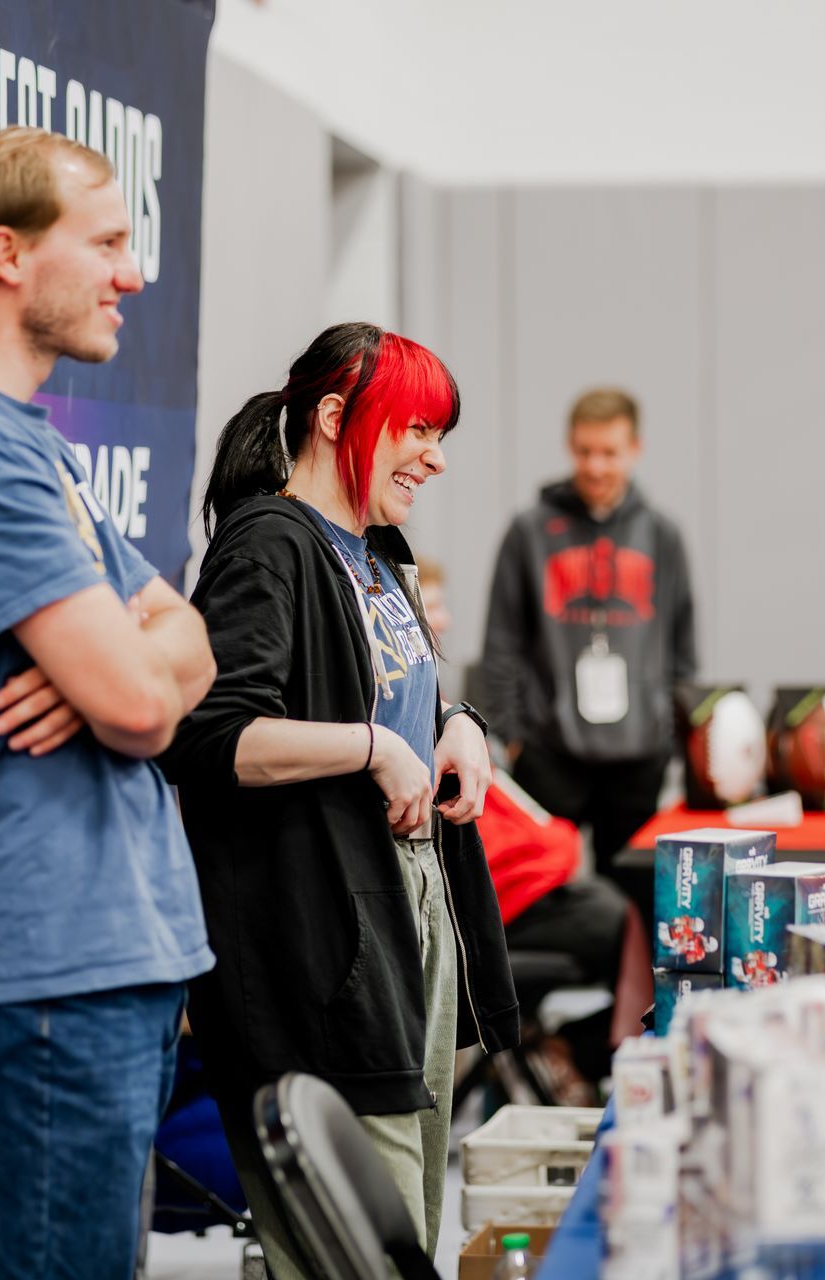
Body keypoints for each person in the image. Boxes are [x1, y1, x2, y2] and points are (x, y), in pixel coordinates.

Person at [0, 126, 218, 1277]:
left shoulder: (30, 444)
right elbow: (145, 707)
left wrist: (127, 661)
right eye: (108, 242)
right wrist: (117, 670)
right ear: (8, 253)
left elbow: (187, 639)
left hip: (96, 969)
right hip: (41, 978)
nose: (134, 272)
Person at [158, 323, 519, 1279]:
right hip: (320, 944)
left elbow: (400, 695)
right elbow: (208, 738)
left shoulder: (375, 551)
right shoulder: (268, 547)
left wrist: (457, 726)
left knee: (408, 1235)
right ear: (333, 418)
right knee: (364, 1250)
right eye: (417, 430)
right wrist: (370, 751)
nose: (436, 459)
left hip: (404, 923)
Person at [423, 559, 646, 1098]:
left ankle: (565, 1048)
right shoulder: (410, 709)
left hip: (535, 884)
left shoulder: (438, 700)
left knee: (644, 916)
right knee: (647, 932)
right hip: (506, 897)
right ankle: (574, 1051)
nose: (446, 621)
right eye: (431, 607)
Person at [480, 388, 698, 878]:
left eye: (609, 453)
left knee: (634, 896)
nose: (595, 466)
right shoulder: (529, 532)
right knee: (549, 893)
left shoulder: (662, 536)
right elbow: (501, 643)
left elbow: (683, 647)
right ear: (569, 447)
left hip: (639, 756)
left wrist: (669, 734)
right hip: (550, 752)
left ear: (634, 450)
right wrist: (514, 737)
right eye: (584, 451)